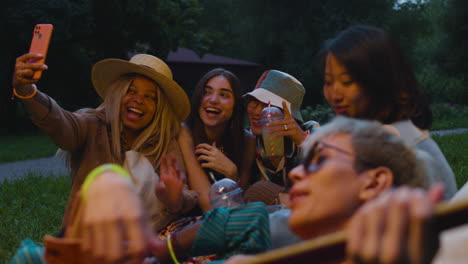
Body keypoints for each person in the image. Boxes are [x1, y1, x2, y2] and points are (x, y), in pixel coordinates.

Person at [25, 116, 441, 264]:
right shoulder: (280, 229)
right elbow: (235, 221)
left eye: (318, 161)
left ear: (375, 181)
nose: (297, 175)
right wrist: (107, 184)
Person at [11, 52, 198, 232]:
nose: (138, 100)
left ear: (160, 108)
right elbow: (59, 121)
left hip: (153, 240)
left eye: (149, 97)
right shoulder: (92, 126)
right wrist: (27, 91)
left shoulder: (165, 143)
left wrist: (176, 199)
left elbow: (187, 195)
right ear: (118, 93)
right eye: (131, 90)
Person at [319, 24, 457, 199]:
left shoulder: (407, 151)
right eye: (328, 82)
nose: (335, 94)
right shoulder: (370, 138)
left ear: (379, 81)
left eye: (347, 82)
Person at [181, 68, 256, 211]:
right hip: (194, 219)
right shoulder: (184, 133)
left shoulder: (247, 141)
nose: (213, 100)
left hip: (230, 218)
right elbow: (208, 205)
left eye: (224, 95)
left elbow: (242, 204)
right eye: (207, 92)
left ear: (235, 106)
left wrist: (232, 175)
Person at [242, 69, 319, 206]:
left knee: (260, 190)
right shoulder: (250, 140)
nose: (257, 111)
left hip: (310, 211)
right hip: (270, 220)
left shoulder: (310, 132)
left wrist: (301, 139)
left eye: (268, 107)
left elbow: (329, 171)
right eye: (254, 102)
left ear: (289, 115)